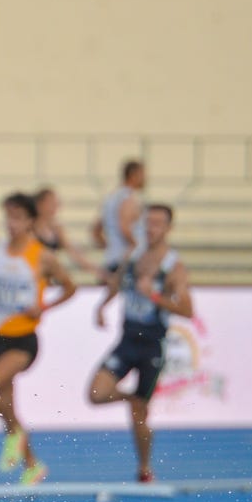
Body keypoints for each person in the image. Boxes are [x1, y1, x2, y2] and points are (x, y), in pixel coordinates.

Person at [0, 192, 75, 485]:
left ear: (30, 221)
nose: (11, 224)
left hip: (23, 340)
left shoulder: (42, 255)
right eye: (8, 217)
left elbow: (70, 287)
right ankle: (32, 464)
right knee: (6, 406)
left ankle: (17, 433)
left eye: (17, 218)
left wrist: (44, 306)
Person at [88, 204, 193, 482]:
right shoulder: (134, 255)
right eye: (148, 222)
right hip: (127, 339)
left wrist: (155, 297)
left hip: (151, 346)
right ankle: (133, 398)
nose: (151, 228)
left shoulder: (173, 267)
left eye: (158, 223)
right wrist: (102, 306)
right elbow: (117, 282)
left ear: (168, 228)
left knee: (139, 418)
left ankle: (145, 467)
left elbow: (187, 309)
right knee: (96, 394)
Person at [91, 159, 146, 276]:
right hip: (128, 261)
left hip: (111, 259)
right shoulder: (128, 198)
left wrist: (109, 247)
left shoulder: (110, 198)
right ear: (134, 175)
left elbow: (96, 229)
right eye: (143, 175)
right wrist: (136, 246)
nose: (145, 179)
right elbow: (124, 227)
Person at [34, 187, 102, 280]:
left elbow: (73, 252)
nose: (56, 206)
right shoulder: (30, 227)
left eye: (56, 202)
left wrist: (96, 270)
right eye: (52, 202)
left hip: (48, 277)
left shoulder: (56, 229)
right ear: (40, 204)